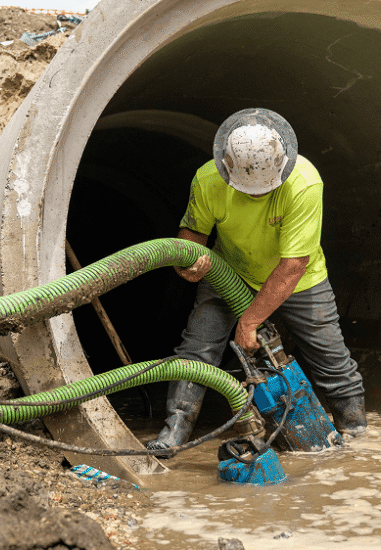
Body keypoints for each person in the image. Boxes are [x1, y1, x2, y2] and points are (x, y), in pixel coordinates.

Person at [147, 108, 366, 454]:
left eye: (264, 191)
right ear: (227, 168)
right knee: (197, 350)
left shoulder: (304, 183)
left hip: (299, 279)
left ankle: (356, 432)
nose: (256, 196)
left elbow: (293, 264)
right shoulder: (208, 180)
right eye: (248, 191)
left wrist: (249, 321)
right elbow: (190, 235)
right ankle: (173, 433)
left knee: (331, 357)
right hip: (229, 272)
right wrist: (187, 264)